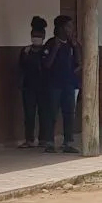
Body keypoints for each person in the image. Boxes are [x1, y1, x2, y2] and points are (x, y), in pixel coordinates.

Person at [42, 15, 81, 154]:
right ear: (60, 28)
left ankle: (68, 142)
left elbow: (79, 63)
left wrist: (75, 46)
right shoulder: (51, 43)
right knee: (52, 113)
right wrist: (55, 49)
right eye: (68, 26)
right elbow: (46, 64)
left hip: (69, 84)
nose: (71, 29)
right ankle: (50, 142)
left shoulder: (72, 44)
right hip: (54, 85)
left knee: (69, 113)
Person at [19, 16, 48, 149]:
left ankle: (43, 139)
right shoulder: (25, 51)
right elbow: (21, 69)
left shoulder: (46, 51)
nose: (35, 37)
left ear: (43, 36)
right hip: (29, 87)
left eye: (38, 35)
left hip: (43, 87)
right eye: (33, 35)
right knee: (29, 114)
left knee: (44, 113)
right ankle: (29, 139)